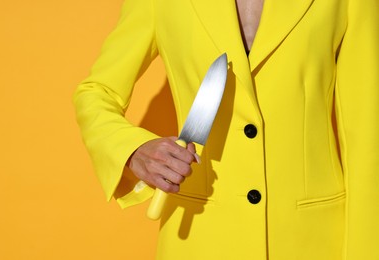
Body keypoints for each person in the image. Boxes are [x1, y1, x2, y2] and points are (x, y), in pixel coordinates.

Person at [73, 0, 379, 259]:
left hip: (315, 242)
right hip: (198, 239)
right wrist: (132, 150)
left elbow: (368, 135)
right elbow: (96, 91)